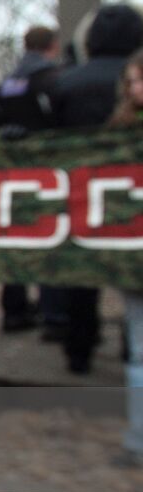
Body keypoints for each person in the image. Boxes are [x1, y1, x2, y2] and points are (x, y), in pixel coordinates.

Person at [46, 5, 143, 374]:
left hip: (82, 199)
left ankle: (79, 349)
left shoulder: (66, 82)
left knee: (81, 280)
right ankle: (129, 349)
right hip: (127, 204)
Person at [0, 25, 61, 332]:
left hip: (11, 174)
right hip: (50, 172)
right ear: (52, 46)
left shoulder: (10, 81)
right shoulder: (51, 78)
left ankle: (14, 309)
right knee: (51, 240)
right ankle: (53, 314)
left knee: (15, 239)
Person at [109, 50, 143, 468]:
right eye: (133, 81)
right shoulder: (117, 134)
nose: (137, 89)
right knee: (139, 355)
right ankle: (138, 440)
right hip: (136, 265)